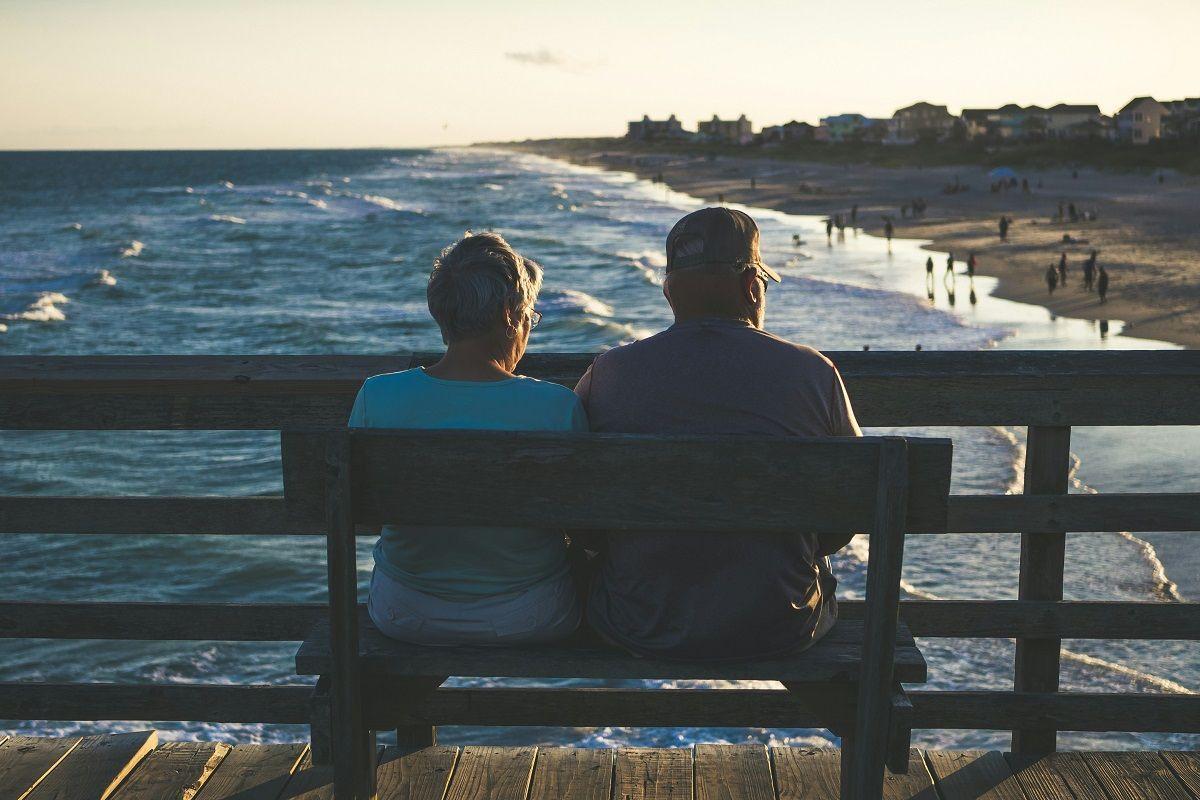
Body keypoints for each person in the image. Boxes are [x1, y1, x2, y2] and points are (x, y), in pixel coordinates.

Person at [574, 207, 861, 661]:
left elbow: (578, 511)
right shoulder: (813, 373)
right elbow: (851, 507)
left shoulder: (607, 373)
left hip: (639, 623)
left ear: (670, 293)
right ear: (752, 287)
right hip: (779, 625)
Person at [351, 232, 585, 646]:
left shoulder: (377, 395)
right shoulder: (555, 406)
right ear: (511, 315)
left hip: (404, 613)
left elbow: (363, 512)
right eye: (531, 316)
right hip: (530, 615)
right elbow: (585, 524)